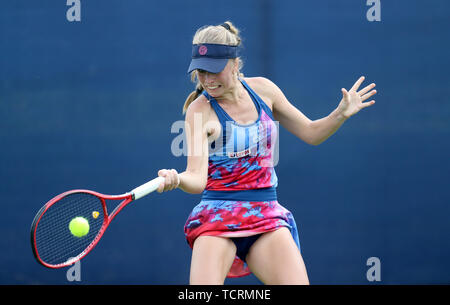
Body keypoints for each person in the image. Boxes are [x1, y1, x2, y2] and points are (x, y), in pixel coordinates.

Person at [156, 21, 377, 285]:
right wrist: (177, 179)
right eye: (201, 72)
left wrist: (339, 114)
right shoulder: (199, 111)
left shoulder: (264, 90)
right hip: (217, 218)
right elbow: (196, 178)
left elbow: (311, 132)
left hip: (266, 214)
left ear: (235, 63)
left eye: (214, 71)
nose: (207, 80)